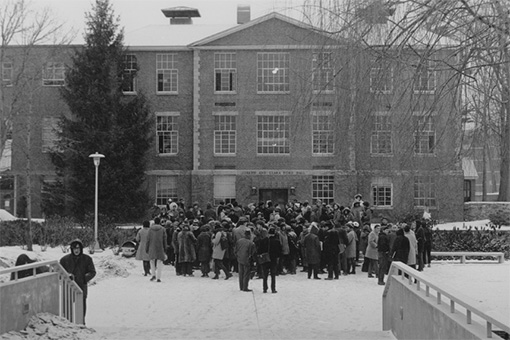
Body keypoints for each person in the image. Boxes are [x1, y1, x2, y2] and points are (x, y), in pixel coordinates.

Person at [60, 239, 96, 321]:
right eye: (74, 248)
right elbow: (60, 273)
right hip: (68, 287)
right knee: (67, 306)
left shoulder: (87, 259)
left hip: (81, 287)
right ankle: (68, 322)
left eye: (78, 248)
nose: (76, 250)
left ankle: (81, 322)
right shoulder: (64, 260)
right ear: (71, 249)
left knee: (81, 306)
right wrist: (67, 277)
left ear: (81, 249)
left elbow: (92, 272)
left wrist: (83, 278)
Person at [258, 227, 282, 293]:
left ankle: (265, 288)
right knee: (273, 275)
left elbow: (259, 250)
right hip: (273, 260)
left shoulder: (263, 241)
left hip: (265, 259)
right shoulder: (277, 241)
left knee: (265, 274)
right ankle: (273, 289)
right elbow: (279, 251)